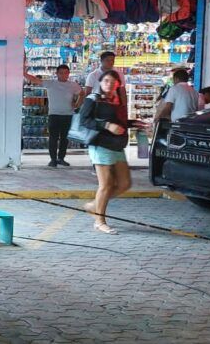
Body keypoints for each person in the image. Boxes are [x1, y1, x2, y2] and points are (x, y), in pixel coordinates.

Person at [79, 70, 131, 235]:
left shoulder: (118, 102)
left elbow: (120, 122)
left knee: (124, 184)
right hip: (100, 144)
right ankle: (99, 221)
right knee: (106, 185)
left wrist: (136, 124)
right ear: (100, 82)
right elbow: (84, 120)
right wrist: (107, 126)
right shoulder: (93, 99)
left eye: (113, 81)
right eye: (106, 81)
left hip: (117, 145)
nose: (109, 84)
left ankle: (95, 205)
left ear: (118, 85)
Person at [25, 65, 84, 167]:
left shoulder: (73, 85)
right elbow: (35, 80)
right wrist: (23, 73)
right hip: (54, 114)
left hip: (68, 114)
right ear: (56, 74)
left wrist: (78, 104)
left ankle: (61, 158)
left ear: (68, 74)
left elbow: (82, 93)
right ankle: (53, 159)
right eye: (61, 73)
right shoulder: (51, 83)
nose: (64, 75)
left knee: (65, 138)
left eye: (66, 73)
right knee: (53, 138)